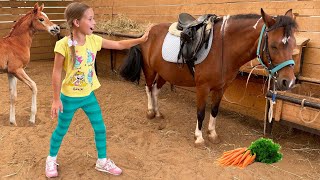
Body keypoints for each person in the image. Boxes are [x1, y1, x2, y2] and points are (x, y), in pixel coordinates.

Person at [45, 2, 150, 178]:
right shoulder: (63, 44)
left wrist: (139, 40)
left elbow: (119, 45)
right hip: (69, 98)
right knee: (61, 130)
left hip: (88, 96)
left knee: (100, 128)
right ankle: (50, 159)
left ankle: (102, 161)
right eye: (91, 18)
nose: (95, 22)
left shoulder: (94, 40)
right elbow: (56, 73)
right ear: (77, 22)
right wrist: (56, 99)